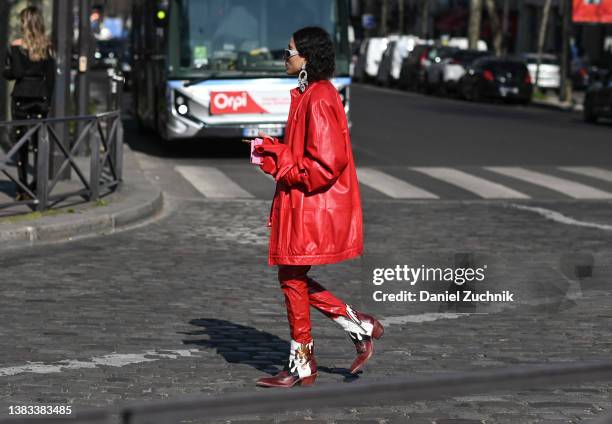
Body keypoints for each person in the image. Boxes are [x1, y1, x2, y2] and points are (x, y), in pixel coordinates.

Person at [246, 27, 384, 388]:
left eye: (288, 50)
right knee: (291, 277)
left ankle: (314, 353)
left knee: (292, 277)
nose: (284, 56)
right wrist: (273, 149)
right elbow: (307, 153)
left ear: (306, 57)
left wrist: (281, 164)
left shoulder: (320, 97)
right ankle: (346, 331)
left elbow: (324, 163)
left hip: (309, 204)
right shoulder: (312, 94)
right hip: (302, 202)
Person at [2, 6, 55, 201]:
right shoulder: (47, 47)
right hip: (40, 100)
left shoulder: (16, 45)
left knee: (21, 143)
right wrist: (47, 102)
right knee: (39, 144)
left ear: (25, 24)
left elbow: (15, 73)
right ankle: (38, 186)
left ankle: (22, 187)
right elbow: (50, 79)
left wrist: (5, 72)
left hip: (21, 99)